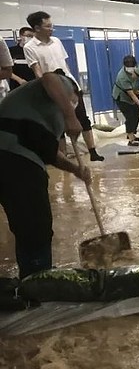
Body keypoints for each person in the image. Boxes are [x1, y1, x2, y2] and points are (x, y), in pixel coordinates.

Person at [0, 72, 91, 278]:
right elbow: (50, 77)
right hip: (13, 160)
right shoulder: (64, 88)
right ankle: (40, 282)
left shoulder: (38, 113)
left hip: (12, 159)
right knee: (35, 227)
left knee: (24, 226)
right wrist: (71, 115)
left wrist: (76, 169)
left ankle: (31, 277)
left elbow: (49, 154)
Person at [23, 11, 104, 161]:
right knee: (58, 125)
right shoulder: (30, 47)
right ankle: (64, 157)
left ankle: (93, 152)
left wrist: (72, 83)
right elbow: (37, 70)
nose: (51, 28)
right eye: (47, 26)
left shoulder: (57, 41)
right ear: (37, 28)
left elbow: (65, 64)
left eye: (51, 25)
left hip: (70, 85)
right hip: (52, 90)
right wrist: (48, 90)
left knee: (83, 119)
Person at [112, 55, 139, 146]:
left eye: (132, 67)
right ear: (124, 66)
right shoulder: (122, 76)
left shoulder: (137, 70)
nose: (131, 69)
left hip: (133, 94)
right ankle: (131, 139)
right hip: (122, 97)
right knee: (130, 117)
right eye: (129, 67)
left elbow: (135, 88)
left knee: (137, 115)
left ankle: (132, 133)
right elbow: (130, 93)